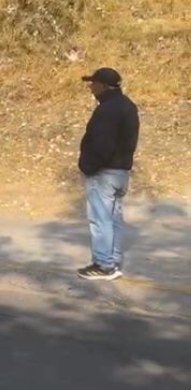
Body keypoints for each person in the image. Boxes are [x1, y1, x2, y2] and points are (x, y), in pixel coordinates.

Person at [77, 67, 139, 281]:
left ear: (104, 86)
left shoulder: (107, 110)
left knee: (100, 219)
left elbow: (103, 145)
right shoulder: (128, 106)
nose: (91, 86)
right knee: (114, 219)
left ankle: (103, 265)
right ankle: (112, 261)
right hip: (121, 171)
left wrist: (88, 166)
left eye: (93, 83)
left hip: (104, 173)